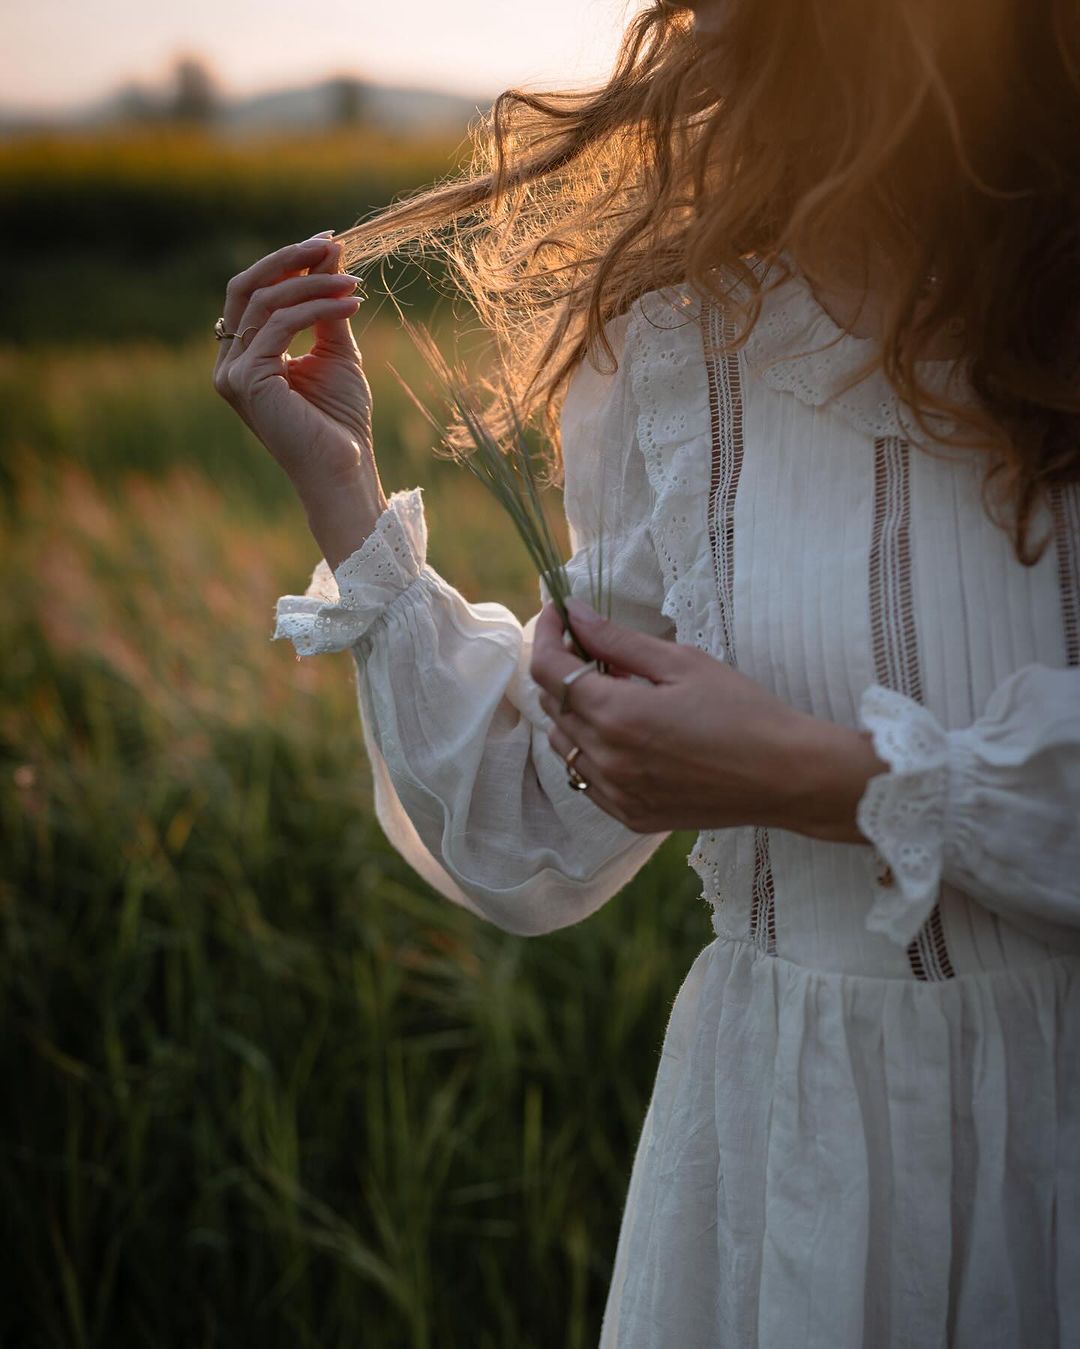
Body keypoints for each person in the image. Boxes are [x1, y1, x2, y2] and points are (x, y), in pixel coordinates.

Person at [212, 0, 1080, 1342]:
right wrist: (345, 493)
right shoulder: (688, 343)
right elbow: (526, 825)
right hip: (784, 1173)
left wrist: (832, 779)